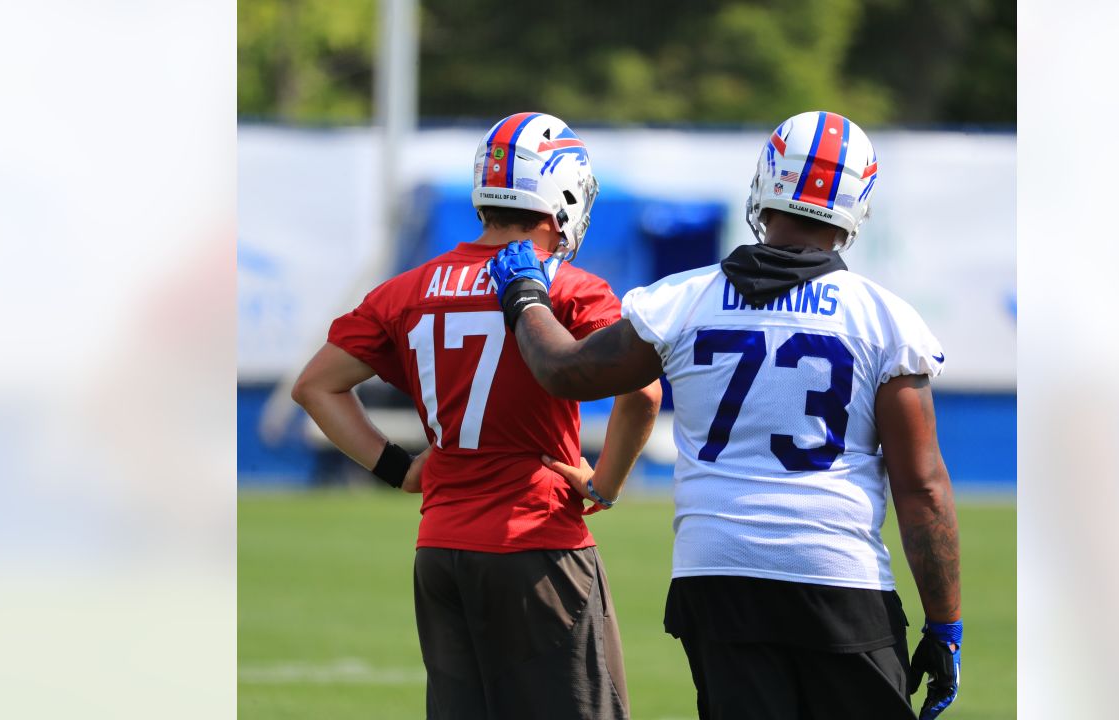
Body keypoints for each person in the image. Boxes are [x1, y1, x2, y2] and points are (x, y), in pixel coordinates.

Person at [487, 111, 962, 720]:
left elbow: (564, 370)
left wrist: (525, 292)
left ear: (765, 182)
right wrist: (944, 622)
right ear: (856, 202)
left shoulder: (682, 300)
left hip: (717, 577)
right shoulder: (884, 320)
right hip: (836, 578)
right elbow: (921, 487)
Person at [292, 111, 661, 720]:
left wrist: (399, 469)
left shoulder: (405, 290)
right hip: (536, 544)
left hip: (440, 549)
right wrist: (606, 483)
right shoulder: (570, 287)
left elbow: (316, 387)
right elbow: (642, 392)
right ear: (562, 194)